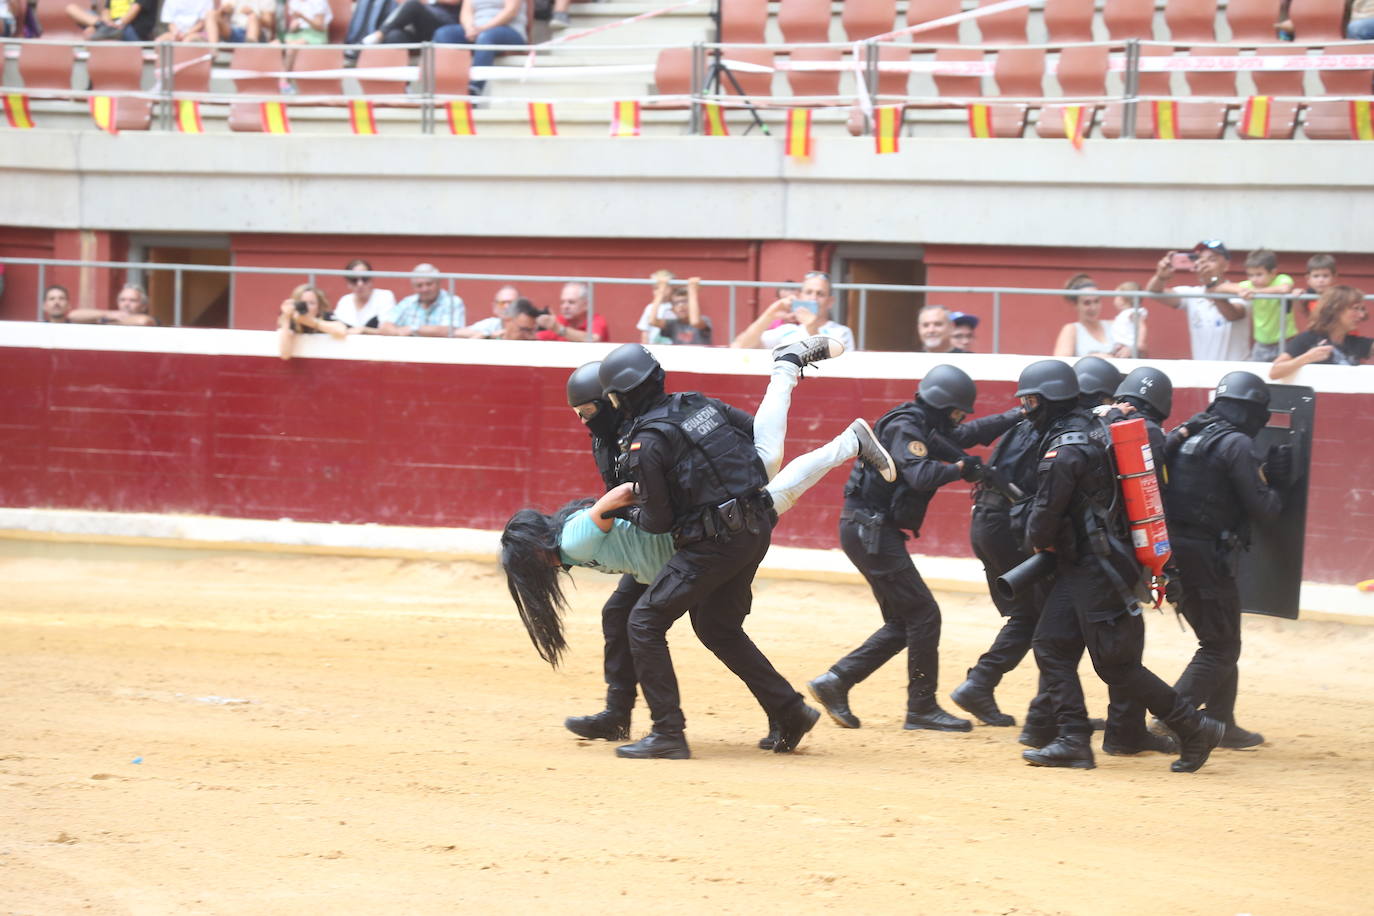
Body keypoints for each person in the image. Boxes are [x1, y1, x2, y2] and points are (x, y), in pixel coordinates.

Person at [507, 342, 896, 747]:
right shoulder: (652, 421)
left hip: (698, 533)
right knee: (652, 617)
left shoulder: (644, 435)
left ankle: (668, 732)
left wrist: (709, 482)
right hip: (693, 532)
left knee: (646, 620)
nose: (586, 422)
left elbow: (650, 508)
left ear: (612, 400)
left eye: (589, 412)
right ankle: (777, 711)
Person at [593, 342, 837, 759]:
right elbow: (750, 437)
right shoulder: (697, 403)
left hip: (714, 542)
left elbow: (658, 521)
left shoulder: (646, 443)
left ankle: (668, 733)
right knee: (717, 627)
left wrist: (618, 512)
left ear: (622, 398)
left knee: (644, 621)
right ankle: (790, 711)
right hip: (755, 525)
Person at [1014, 359, 1225, 773]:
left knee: (1116, 664)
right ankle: (1073, 738)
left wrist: (1034, 542)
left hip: (1097, 567)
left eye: (1031, 401)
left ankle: (1194, 726)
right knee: (1051, 646)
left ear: (1051, 400)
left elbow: (1043, 518)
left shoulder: (1065, 448)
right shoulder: (1097, 424)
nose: (1026, 409)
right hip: (1091, 562)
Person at [807, 364, 1021, 734]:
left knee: (905, 621)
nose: (958, 419)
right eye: (956, 411)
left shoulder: (922, 423)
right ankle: (920, 708)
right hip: (870, 530)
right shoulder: (906, 427)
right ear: (943, 405)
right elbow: (920, 475)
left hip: (869, 529)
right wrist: (960, 470)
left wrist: (1016, 415)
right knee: (924, 615)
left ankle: (836, 681)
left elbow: (967, 435)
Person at [1163, 371, 1287, 750]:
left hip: (1173, 553)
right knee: (1221, 647)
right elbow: (1264, 510)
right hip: (1206, 556)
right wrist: (1279, 485)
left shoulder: (1188, 433)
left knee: (1221, 636)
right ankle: (1172, 717)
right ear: (1252, 411)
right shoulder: (1235, 444)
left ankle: (1221, 720)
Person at [1145, 240, 1250, 362]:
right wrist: (1160, 277)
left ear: (1226, 265)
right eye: (1200, 259)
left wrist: (1210, 284)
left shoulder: (1239, 290)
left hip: (1235, 373)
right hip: (1202, 373)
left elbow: (1232, 315)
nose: (1204, 264)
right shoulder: (1192, 293)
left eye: (1212, 259)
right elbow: (1154, 293)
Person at [731, 271, 855, 352]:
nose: (813, 298)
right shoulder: (788, 330)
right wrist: (769, 315)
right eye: (808, 292)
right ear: (800, 297)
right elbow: (740, 346)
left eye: (820, 294)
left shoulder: (841, 332)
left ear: (830, 302)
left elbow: (834, 365)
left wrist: (812, 328)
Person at [1269, 285, 1370, 378]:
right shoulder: (1309, 338)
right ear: (1336, 310)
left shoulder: (1356, 343)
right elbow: (1274, 372)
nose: (1361, 315)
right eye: (1355, 309)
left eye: (1362, 309)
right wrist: (1306, 358)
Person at [432, 0, 527, 97]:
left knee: (487, 37)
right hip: (477, 31)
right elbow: (466, 12)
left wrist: (483, 28)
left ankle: (473, 91)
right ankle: (447, 88)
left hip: (509, 30)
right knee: (443, 34)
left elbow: (511, 11)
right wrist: (469, 28)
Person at [1233, 249, 1296, 362]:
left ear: (1273, 272)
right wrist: (1240, 290)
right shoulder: (1249, 285)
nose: (1254, 279)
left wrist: (1255, 292)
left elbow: (1284, 288)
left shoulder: (1281, 279)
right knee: (1257, 376)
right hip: (1261, 344)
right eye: (1250, 275)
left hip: (1286, 342)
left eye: (1259, 274)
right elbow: (1224, 287)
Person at [378, 263, 465, 337]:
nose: (424, 289)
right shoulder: (408, 302)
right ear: (413, 287)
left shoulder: (452, 301)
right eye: (419, 285)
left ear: (438, 283)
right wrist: (397, 332)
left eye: (429, 284)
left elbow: (449, 330)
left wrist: (412, 329)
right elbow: (385, 326)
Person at [276, 283, 348, 360]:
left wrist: (310, 322)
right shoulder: (292, 320)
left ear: (319, 306)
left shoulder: (324, 316)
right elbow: (285, 354)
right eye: (303, 303)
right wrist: (286, 318)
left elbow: (341, 330)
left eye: (311, 303)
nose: (307, 307)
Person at [1052, 274, 1113, 358]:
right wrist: (1093, 358)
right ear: (1075, 304)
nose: (1093, 307)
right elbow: (1061, 362)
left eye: (1096, 301)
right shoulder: (1072, 329)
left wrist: (1129, 349)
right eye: (1087, 303)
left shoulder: (1113, 325)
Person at [333, 259, 397, 332]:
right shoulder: (344, 301)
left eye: (365, 278)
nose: (360, 284)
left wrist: (364, 330)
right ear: (348, 283)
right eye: (354, 280)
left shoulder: (384, 296)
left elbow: (389, 331)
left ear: (372, 279)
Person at [361, 0, 461, 44]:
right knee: (394, 36)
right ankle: (402, 85)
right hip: (416, 26)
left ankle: (378, 35)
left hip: (444, 25)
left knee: (413, 4)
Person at [648, 277, 711, 346]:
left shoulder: (705, 320)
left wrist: (692, 291)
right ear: (672, 309)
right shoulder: (672, 324)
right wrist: (661, 292)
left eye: (685, 302)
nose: (681, 306)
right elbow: (652, 321)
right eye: (676, 303)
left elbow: (695, 322)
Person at [536, 282, 608, 342]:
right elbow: (537, 337)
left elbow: (594, 339)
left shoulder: (596, 320)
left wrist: (558, 329)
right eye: (562, 302)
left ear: (586, 305)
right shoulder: (559, 321)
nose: (565, 306)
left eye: (571, 302)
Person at [66, 0, 157, 40]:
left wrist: (118, 24)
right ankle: (100, 26)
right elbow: (106, 10)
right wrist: (107, 23)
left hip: (130, 28)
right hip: (110, 25)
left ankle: (104, 29)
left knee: (91, 32)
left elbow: (135, 10)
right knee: (71, 8)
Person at [454, 284, 520, 339]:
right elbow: (457, 333)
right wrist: (488, 335)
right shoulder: (491, 324)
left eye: (511, 303)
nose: (507, 307)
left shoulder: (527, 323)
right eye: (502, 303)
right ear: (495, 307)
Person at [1108, 281, 1148, 358]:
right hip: (1120, 346)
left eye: (1116, 296)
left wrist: (1139, 343)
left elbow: (1141, 326)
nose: (1114, 299)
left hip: (1130, 347)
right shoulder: (1123, 314)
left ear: (1123, 299)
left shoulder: (1132, 312)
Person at [1296, 253, 1339, 322]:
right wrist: (1297, 297)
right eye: (1316, 276)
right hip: (1315, 330)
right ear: (1308, 279)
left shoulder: (1338, 295)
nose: (1321, 280)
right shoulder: (1308, 294)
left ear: (1334, 278)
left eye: (1325, 276)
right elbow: (1302, 311)